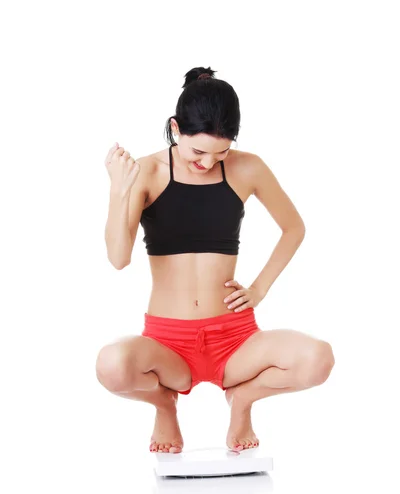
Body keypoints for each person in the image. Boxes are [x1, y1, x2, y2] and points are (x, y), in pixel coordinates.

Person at [96, 66, 335, 454]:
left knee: (318, 359)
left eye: (220, 152)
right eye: (198, 151)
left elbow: (294, 228)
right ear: (176, 129)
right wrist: (118, 191)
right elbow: (118, 259)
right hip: (168, 343)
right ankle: (163, 404)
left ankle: (242, 399)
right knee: (110, 365)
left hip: (235, 339)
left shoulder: (248, 168)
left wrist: (259, 288)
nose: (207, 163)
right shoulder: (148, 171)